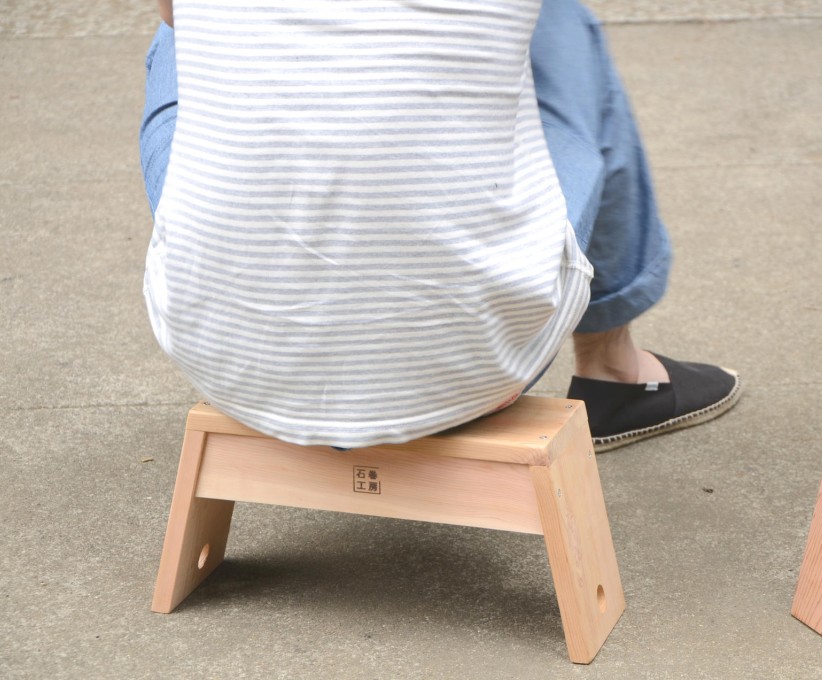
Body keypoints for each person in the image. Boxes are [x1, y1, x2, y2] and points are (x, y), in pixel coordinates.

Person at [141, 0, 742, 452]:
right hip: (481, 364)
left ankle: (247, 267)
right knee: (559, 21)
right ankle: (612, 369)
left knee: (183, 33)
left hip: (222, 358)